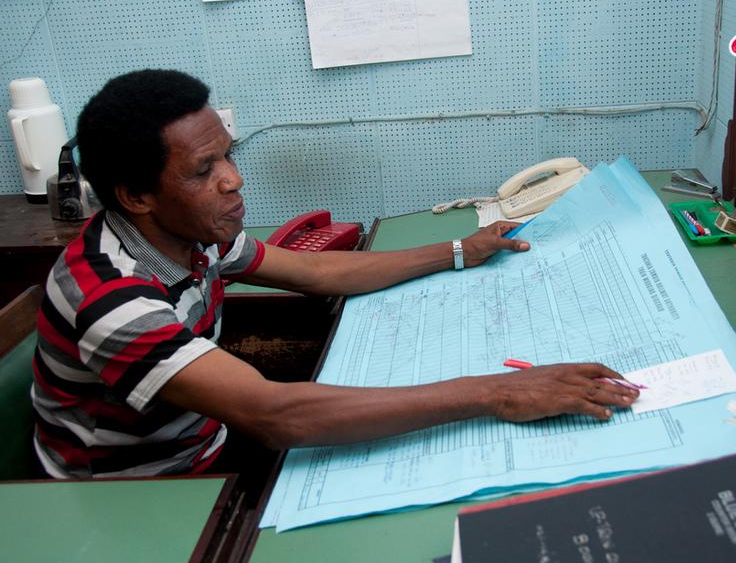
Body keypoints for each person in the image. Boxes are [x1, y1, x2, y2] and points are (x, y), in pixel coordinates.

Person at [31, 69, 639, 479]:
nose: (233, 179)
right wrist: (498, 392)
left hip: (204, 443)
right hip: (138, 489)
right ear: (136, 195)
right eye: (203, 169)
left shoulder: (192, 234)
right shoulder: (109, 296)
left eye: (228, 154)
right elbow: (275, 416)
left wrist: (460, 250)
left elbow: (316, 271)